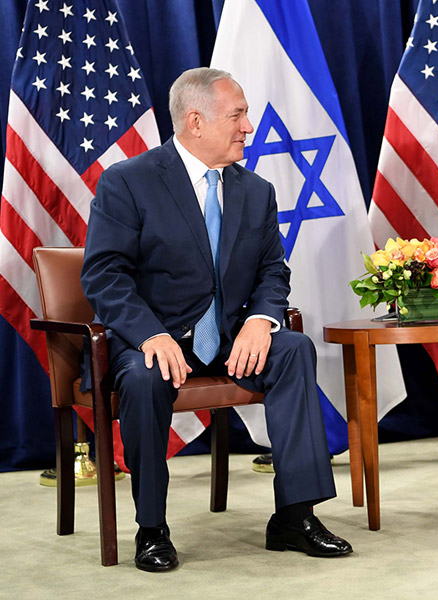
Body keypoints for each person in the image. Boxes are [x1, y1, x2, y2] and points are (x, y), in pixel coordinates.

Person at [81, 67, 352, 571]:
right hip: (150, 341)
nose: (248, 126)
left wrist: (263, 320)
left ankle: (295, 515)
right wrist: (149, 335)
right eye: (238, 114)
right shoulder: (129, 181)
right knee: (144, 379)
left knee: (294, 349)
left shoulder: (256, 190)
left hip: (227, 339)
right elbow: (104, 275)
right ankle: (152, 529)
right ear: (196, 121)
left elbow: (273, 270)